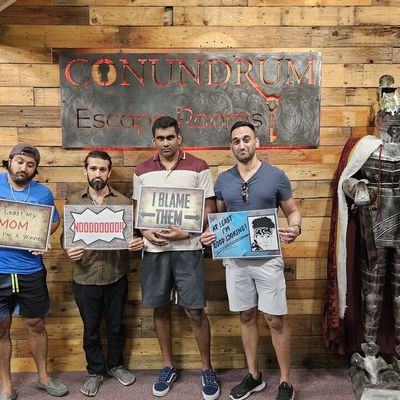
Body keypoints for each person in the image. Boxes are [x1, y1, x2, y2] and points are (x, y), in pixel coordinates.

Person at [201, 121, 301, 400]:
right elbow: (220, 219)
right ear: (231, 146)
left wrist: (296, 227)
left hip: (268, 258)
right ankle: (254, 376)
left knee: (274, 319)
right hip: (236, 260)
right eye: (236, 141)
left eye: (246, 139)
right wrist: (210, 233)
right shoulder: (223, 180)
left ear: (256, 142)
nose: (241, 145)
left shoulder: (276, 176)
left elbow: (292, 211)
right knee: (246, 315)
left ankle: (285, 381)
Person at [132, 116, 220, 400]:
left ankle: (207, 369)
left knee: (195, 311)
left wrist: (188, 232)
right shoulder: (142, 170)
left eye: (170, 137)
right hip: (155, 251)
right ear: (153, 140)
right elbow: (138, 210)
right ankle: (168, 366)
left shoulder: (199, 166)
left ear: (179, 138)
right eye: (160, 138)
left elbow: (209, 208)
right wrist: (145, 231)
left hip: (188, 249)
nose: (165, 142)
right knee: (160, 309)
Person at [324, 75, 400, 359]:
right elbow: (346, 179)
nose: (392, 122)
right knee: (372, 291)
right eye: (388, 117)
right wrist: (357, 188)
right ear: (379, 118)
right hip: (373, 225)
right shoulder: (365, 148)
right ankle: (369, 352)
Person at [64, 150, 143, 397]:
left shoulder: (124, 202)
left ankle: (116, 365)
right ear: (85, 171)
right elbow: (65, 238)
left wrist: (136, 242)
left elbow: (134, 235)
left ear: (109, 172)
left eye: (102, 169)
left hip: (115, 275)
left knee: (116, 325)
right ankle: (95, 371)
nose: (97, 173)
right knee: (90, 328)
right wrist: (68, 249)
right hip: (84, 277)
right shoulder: (73, 202)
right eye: (93, 168)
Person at [0, 144, 69, 400]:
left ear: (35, 168)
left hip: (31, 270)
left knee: (36, 324)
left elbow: (54, 221)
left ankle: (43, 378)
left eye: (30, 164)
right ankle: (6, 385)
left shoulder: (43, 192)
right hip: (0, 270)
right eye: (19, 161)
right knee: (1, 329)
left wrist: (43, 238)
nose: (24, 168)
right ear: (10, 161)